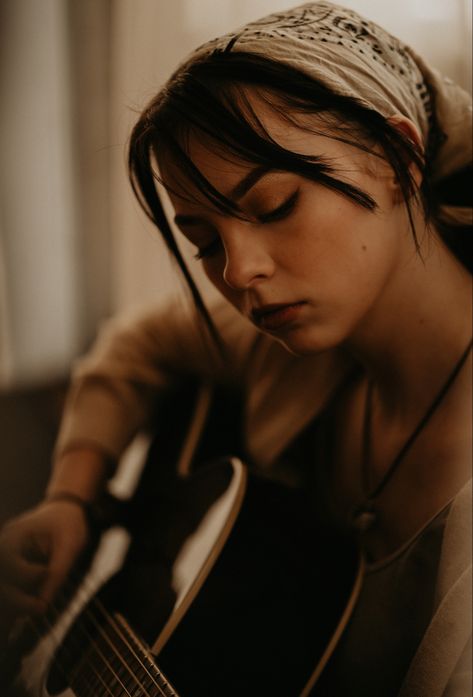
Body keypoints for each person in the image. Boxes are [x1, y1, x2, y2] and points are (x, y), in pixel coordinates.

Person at [0, 2, 471, 695]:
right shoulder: (279, 349)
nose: (237, 272)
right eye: (204, 241)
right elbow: (137, 341)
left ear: (398, 158)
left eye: (275, 205)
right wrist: (71, 496)